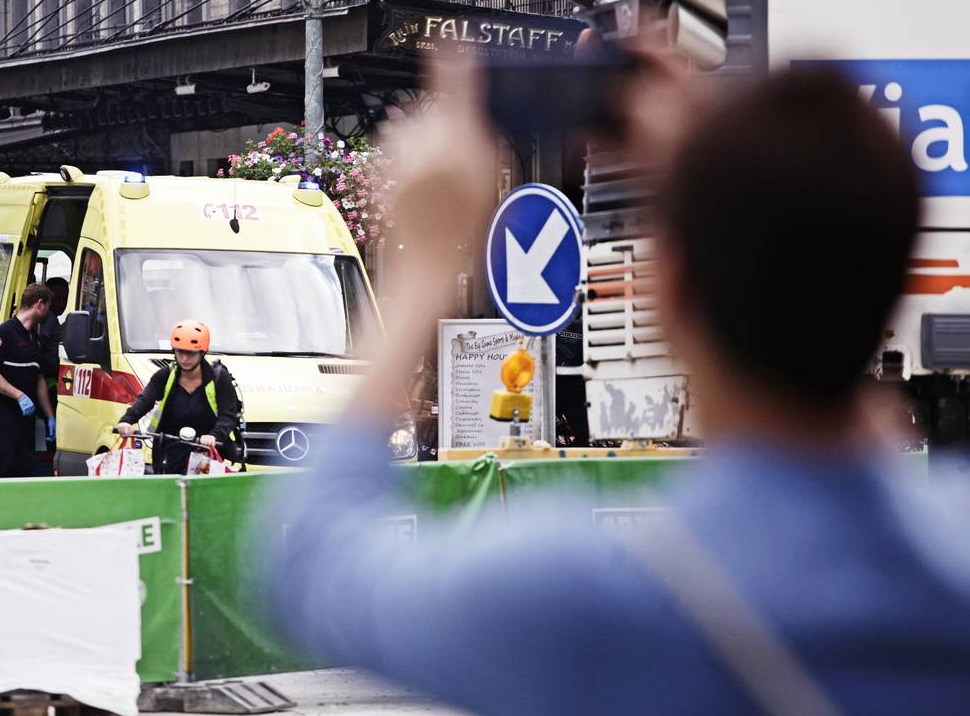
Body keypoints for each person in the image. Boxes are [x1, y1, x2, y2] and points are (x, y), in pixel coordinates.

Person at [262, 59, 970, 713]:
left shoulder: (590, 596)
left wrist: (419, 272)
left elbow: (312, 558)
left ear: (669, 296)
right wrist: (724, 182)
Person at [116, 319, 242, 474]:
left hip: (208, 455)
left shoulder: (218, 378)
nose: (184, 359)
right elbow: (145, 400)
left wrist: (213, 436)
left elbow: (228, 416)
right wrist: (127, 421)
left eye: (190, 353)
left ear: (202, 353)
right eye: (179, 352)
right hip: (169, 452)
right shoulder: (164, 376)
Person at [0, 283, 57, 478]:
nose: (50, 312)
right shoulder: (4, 333)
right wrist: (19, 395)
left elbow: (38, 377)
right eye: (48, 306)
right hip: (1, 414)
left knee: (21, 470)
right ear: (39, 304)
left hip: (25, 419)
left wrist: (49, 416)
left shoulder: (35, 339)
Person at [32, 277, 69, 476]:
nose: (60, 303)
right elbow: (41, 344)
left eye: (64, 298)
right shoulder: (50, 318)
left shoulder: (54, 318)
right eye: (56, 299)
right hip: (47, 381)